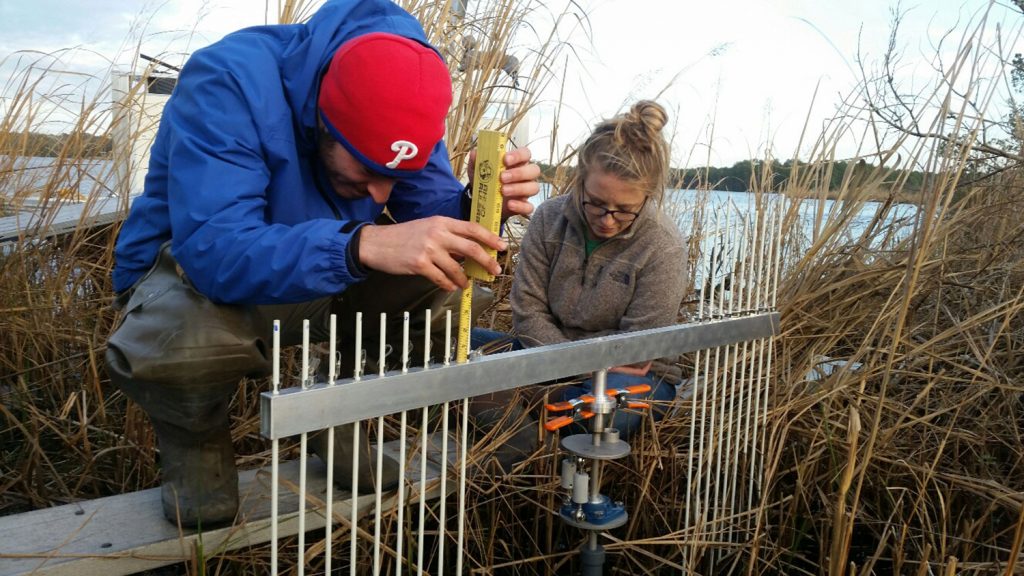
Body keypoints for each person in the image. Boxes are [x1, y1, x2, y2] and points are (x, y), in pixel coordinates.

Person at [105, 0, 540, 528]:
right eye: (366, 169)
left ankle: (334, 410)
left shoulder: (406, 94)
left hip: (314, 276)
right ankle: (195, 445)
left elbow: (428, 219)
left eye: (395, 175)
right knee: (188, 339)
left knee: (439, 277)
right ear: (322, 119)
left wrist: (475, 206)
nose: (381, 191)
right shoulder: (227, 81)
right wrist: (360, 246)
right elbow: (215, 252)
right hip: (188, 288)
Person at [470, 100, 687, 467]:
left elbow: (633, 354)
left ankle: (514, 407)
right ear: (579, 181)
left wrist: (568, 372)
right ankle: (534, 410)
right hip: (540, 355)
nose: (607, 219)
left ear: (647, 197)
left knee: (604, 415)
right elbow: (528, 314)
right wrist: (563, 365)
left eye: (624, 210)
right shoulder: (548, 219)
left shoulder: (664, 247)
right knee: (449, 344)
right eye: (596, 203)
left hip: (631, 381)